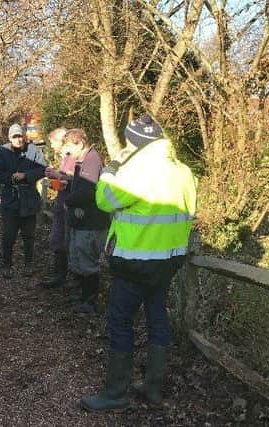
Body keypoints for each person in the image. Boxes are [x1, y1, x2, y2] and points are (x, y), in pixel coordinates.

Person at [80, 114, 197, 411]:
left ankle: (115, 394)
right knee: (158, 319)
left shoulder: (137, 169)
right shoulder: (183, 171)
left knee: (120, 322)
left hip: (134, 261)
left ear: (134, 142)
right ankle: (153, 388)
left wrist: (112, 168)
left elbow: (105, 199)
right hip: (168, 261)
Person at [60, 129, 109, 313]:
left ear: (79, 144)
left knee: (87, 261)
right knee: (79, 258)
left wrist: (68, 201)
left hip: (90, 222)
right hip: (82, 220)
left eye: (68, 146)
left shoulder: (92, 160)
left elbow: (89, 191)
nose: (66, 151)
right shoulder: (83, 160)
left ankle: (90, 300)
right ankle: (81, 295)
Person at [0, 123, 46, 278]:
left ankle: (29, 264)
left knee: (29, 236)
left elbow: (43, 169)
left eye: (20, 136)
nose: (19, 139)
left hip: (30, 199)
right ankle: (6, 265)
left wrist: (26, 176)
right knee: (9, 236)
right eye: (15, 137)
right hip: (10, 199)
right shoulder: (2, 152)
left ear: (24, 136)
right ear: (10, 138)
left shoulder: (34, 150)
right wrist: (12, 177)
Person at [41, 127, 75, 288]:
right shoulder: (65, 158)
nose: (52, 146)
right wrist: (53, 182)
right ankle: (59, 276)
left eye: (53, 143)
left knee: (64, 240)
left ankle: (63, 278)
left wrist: (55, 176)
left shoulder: (70, 158)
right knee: (59, 240)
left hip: (68, 207)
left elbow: (69, 182)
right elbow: (63, 184)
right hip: (62, 205)